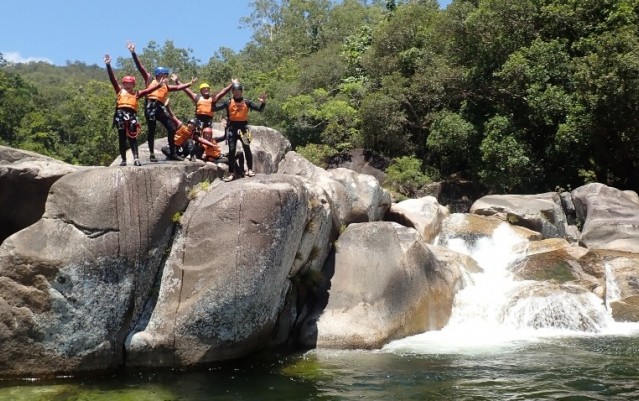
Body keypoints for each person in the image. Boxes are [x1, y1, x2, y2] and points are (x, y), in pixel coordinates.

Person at [127, 41, 195, 162]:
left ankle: (173, 153)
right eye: (165, 74)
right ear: (160, 74)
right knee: (152, 130)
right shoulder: (150, 79)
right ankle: (152, 154)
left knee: (172, 128)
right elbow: (140, 67)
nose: (167, 77)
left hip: (160, 107)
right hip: (150, 106)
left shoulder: (166, 86)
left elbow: (178, 88)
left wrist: (189, 83)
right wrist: (133, 52)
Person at [104, 53, 167, 166]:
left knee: (133, 137)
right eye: (126, 83)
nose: (128, 85)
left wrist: (159, 85)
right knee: (122, 138)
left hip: (131, 115)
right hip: (120, 114)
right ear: (123, 84)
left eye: (130, 83)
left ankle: (136, 158)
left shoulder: (136, 94)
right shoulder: (119, 91)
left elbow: (148, 91)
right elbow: (113, 79)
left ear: (133, 84)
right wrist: (108, 65)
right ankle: (123, 160)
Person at [216, 82, 267, 181]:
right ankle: (231, 173)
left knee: (247, 148)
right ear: (232, 92)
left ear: (241, 92)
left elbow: (259, 109)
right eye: (235, 91)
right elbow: (215, 108)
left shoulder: (247, 102)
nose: (237, 93)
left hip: (244, 128)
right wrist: (214, 99)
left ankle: (250, 170)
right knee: (231, 151)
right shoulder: (228, 102)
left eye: (238, 91)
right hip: (232, 128)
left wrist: (263, 102)